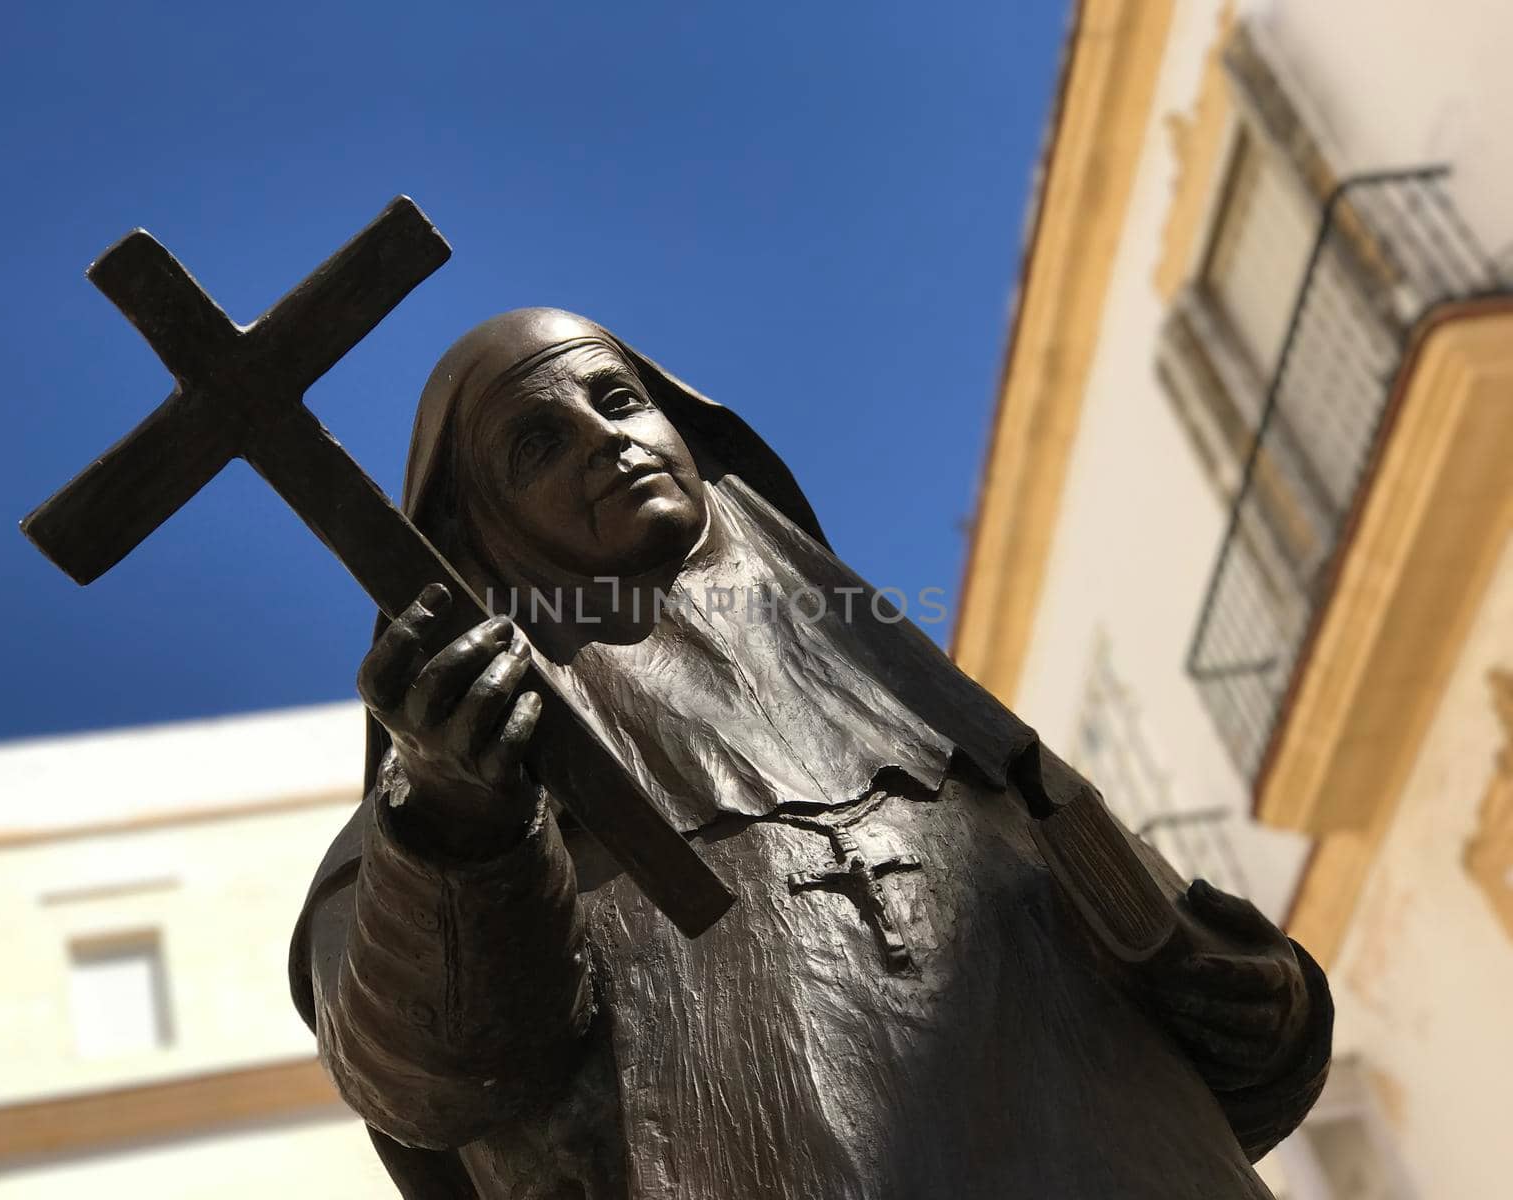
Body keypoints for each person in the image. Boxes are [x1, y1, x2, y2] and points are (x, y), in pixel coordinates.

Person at [289, 308, 1332, 1199]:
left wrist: (1262, 1008)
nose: (601, 441)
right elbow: (427, 1073)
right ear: (481, 538)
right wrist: (458, 817)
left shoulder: (943, 718)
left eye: (616, 400)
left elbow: (1177, 966)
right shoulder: (451, 798)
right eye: (536, 446)